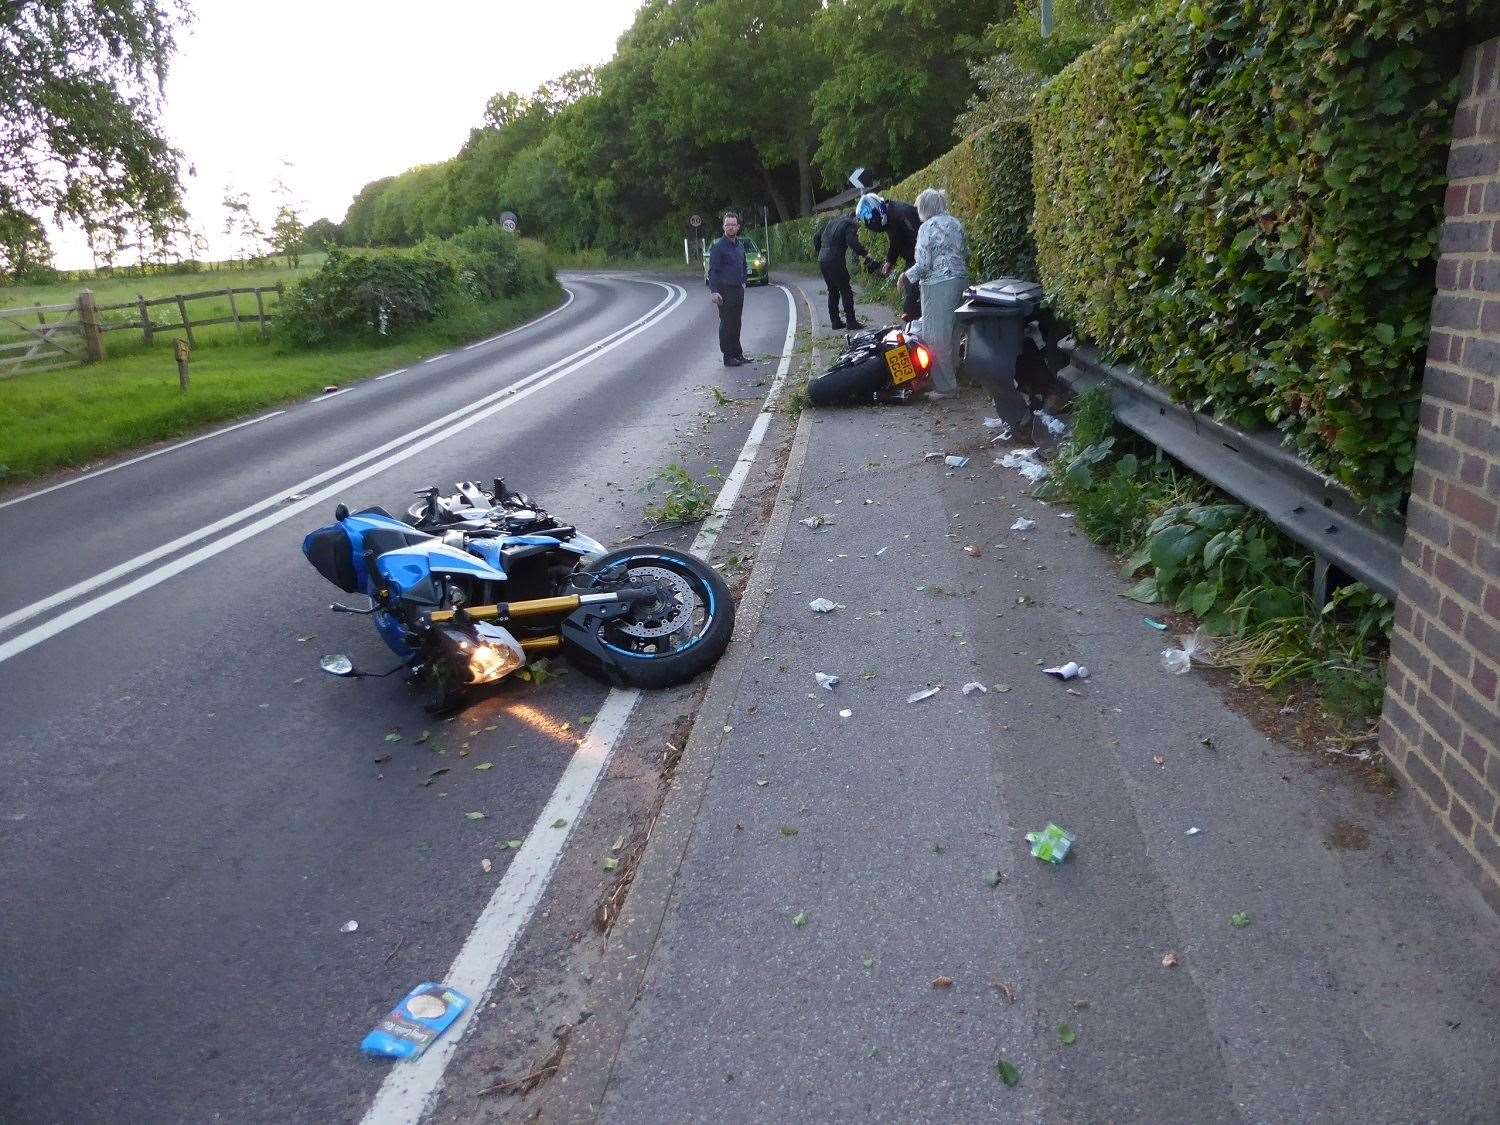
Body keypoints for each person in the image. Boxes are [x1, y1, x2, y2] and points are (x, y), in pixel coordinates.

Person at [899, 188, 969, 397]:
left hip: (938, 285)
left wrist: (905, 276)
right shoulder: (956, 223)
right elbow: (965, 252)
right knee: (954, 333)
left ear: (924, 208)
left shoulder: (926, 228)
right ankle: (953, 376)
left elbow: (924, 263)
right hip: (961, 280)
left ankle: (946, 387)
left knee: (935, 337)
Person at [855, 192, 923, 322]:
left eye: (868, 218)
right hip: (913, 258)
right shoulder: (889, 216)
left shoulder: (899, 213)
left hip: (921, 258)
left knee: (913, 296)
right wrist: (890, 261)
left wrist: (915, 265)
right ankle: (914, 319)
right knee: (911, 295)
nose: (869, 223)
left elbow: (918, 236)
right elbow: (895, 240)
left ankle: (916, 323)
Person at [812, 206, 873, 330]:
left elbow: (816, 237)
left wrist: (820, 252)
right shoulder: (850, 225)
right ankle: (851, 322)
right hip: (835, 260)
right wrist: (865, 253)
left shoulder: (832, 222)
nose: (858, 228)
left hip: (823, 261)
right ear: (856, 219)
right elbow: (851, 241)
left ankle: (835, 321)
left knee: (832, 290)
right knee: (846, 290)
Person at [707, 211, 749, 366]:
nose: (730, 227)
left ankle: (738, 354)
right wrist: (714, 291)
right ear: (723, 227)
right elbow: (713, 271)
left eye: (733, 224)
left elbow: (744, 265)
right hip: (724, 291)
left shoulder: (740, 246)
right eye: (727, 225)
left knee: (737, 322)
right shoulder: (718, 248)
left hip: (738, 290)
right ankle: (728, 357)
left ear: (738, 227)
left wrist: (744, 281)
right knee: (727, 324)